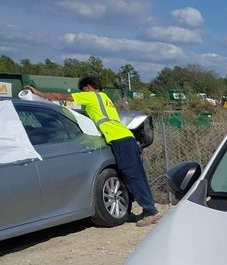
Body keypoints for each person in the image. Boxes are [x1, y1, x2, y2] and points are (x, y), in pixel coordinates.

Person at [25, 77, 162, 226]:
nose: (81, 93)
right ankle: (149, 209)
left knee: (131, 175)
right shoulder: (105, 97)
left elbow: (63, 97)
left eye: (82, 90)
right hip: (127, 136)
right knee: (138, 174)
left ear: (89, 87)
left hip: (119, 139)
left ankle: (150, 212)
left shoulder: (91, 96)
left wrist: (38, 93)